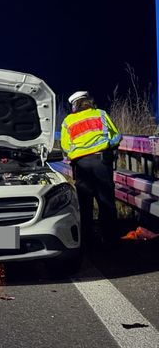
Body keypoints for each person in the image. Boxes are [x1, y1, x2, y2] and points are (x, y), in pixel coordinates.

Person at [60, 91, 122, 245]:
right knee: (106, 202)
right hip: (101, 162)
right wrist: (107, 145)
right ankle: (110, 239)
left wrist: (78, 151)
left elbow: (65, 146)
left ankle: (87, 240)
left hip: (81, 165)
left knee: (85, 203)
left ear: (74, 105)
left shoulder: (68, 121)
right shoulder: (101, 114)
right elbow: (116, 136)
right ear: (88, 101)